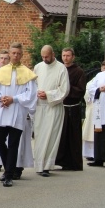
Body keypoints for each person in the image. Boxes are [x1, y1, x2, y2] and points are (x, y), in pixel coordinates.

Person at [0, 43, 38, 187]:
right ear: (9, 53)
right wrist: (0, 98)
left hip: (17, 111)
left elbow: (31, 94)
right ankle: (8, 167)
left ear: (22, 55)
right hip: (2, 111)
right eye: (13, 53)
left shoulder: (27, 73)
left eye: (18, 53)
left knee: (13, 144)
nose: (15, 55)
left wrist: (13, 99)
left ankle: (9, 174)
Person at [32, 45, 69, 177]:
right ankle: (38, 165)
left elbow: (64, 89)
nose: (44, 59)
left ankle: (47, 166)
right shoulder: (38, 67)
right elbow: (33, 85)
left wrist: (48, 94)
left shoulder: (61, 68)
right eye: (42, 56)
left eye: (47, 56)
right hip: (40, 107)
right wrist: (37, 93)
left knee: (51, 136)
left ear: (53, 54)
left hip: (53, 107)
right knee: (40, 136)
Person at [55, 48, 87, 171]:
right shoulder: (58, 69)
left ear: (73, 57)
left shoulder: (79, 72)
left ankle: (73, 163)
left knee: (72, 136)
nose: (65, 58)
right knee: (60, 135)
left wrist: (65, 89)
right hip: (60, 106)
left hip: (73, 108)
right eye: (63, 55)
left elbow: (80, 90)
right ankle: (59, 160)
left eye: (68, 55)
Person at [82, 61, 105, 159]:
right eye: (104, 68)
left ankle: (103, 153)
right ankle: (90, 153)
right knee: (90, 130)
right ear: (101, 68)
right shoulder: (94, 80)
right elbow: (87, 93)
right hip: (94, 108)